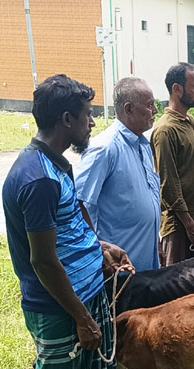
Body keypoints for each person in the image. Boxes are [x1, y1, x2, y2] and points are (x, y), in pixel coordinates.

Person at [2, 74, 134, 369]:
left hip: (84, 296)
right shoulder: (38, 180)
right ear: (66, 119)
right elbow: (44, 261)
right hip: (60, 308)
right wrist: (82, 318)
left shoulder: (56, 165)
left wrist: (98, 248)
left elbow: (69, 222)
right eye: (87, 114)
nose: (92, 122)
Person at [75, 77, 160, 272]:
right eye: (149, 105)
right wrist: (99, 248)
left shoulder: (143, 145)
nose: (155, 111)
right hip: (118, 269)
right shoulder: (104, 149)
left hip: (146, 264)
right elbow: (78, 203)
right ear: (129, 109)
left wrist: (155, 242)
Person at [151, 63, 194, 265]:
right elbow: (168, 185)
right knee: (181, 287)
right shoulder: (165, 130)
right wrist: (190, 226)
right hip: (182, 228)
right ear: (177, 89)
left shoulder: (187, 121)